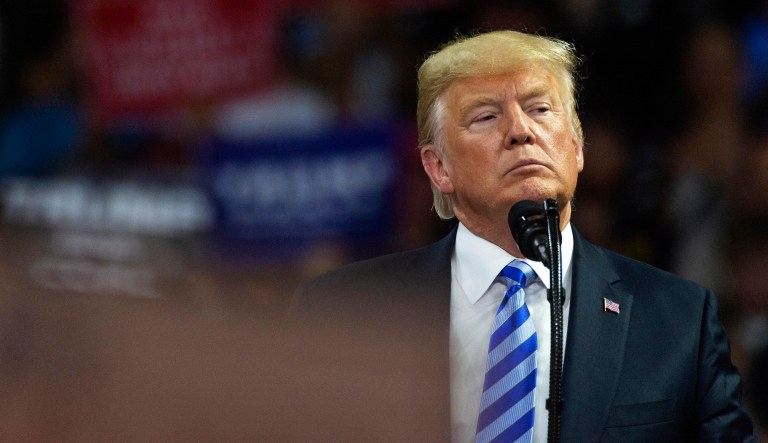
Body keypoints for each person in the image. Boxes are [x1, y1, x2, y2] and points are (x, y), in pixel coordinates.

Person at [291, 30, 757, 442]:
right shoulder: (341, 313)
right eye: (485, 117)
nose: (520, 131)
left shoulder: (677, 320)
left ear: (576, 147)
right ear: (438, 167)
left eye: (539, 108)